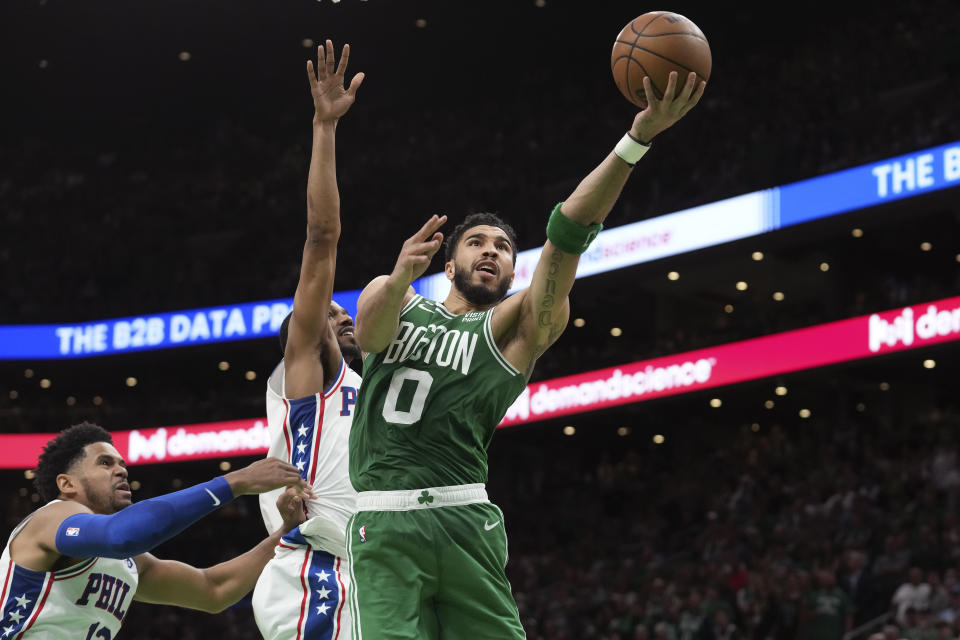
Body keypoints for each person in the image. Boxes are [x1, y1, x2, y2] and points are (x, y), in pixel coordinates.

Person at [346, 70, 705, 638]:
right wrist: (397, 276)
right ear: (449, 264)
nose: (491, 251)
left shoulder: (517, 326)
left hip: (465, 515)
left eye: (504, 248)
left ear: (514, 271)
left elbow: (569, 229)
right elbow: (368, 338)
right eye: (477, 243)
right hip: (383, 519)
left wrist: (636, 139)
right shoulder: (396, 296)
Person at [250, 39, 364, 640]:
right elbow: (322, 236)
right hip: (316, 574)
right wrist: (325, 127)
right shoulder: (314, 376)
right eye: (329, 314)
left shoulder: (379, 388)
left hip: (379, 573)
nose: (340, 318)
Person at [0, 421, 310, 639]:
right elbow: (120, 536)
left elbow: (213, 590)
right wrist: (234, 482)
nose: (121, 470)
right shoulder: (51, 518)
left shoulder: (128, 562)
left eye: (122, 463)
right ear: (66, 484)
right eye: (105, 463)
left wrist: (285, 532)